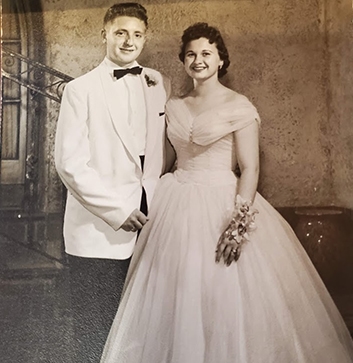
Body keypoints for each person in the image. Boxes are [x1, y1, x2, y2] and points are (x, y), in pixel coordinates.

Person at [100, 23, 353, 363]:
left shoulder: (239, 106)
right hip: (175, 202)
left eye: (206, 53)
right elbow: (165, 162)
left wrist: (238, 224)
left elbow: (250, 169)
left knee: (223, 294)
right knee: (176, 296)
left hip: (223, 200)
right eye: (191, 54)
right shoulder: (173, 105)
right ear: (183, 60)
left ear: (220, 60)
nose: (198, 60)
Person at [55, 3, 170, 362]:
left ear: (145, 37)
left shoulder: (156, 81)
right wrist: (118, 210)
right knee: (96, 330)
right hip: (97, 229)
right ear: (104, 34)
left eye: (136, 34)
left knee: (138, 329)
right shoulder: (80, 89)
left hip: (149, 223)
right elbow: (70, 163)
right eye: (120, 32)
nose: (128, 41)